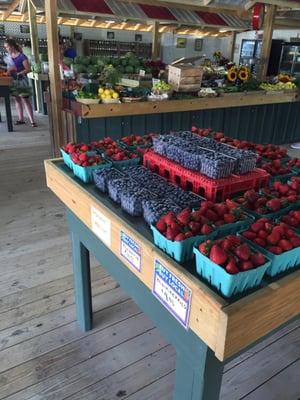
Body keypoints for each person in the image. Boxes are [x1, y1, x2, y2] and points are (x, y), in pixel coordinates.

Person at [4, 38, 37, 127]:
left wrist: (19, 72)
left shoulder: (22, 56)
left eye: (7, 47)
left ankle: (32, 121)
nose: (6, 49)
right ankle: (21, 119)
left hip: (22, 80)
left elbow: (28, 69)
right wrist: (8, 71)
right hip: (13, 80)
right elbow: (9, 69)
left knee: (25, 100)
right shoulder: (9, 58)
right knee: (17, 100)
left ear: (11, 46)